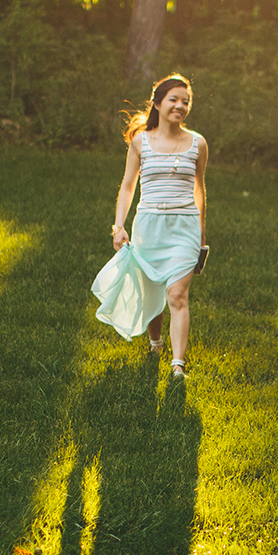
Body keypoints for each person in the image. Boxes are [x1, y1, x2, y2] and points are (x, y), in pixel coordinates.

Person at [92, 73, 208, 379]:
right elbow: (128, 186)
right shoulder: (140, 142)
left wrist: (201, 232)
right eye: (174, 100)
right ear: (158, 103)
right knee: (154, 292)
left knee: (177, 296)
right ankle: (156, 343)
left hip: (184, 228)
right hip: (149, 227)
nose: (180, 106)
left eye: (186, 101)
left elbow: (199, 190)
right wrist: (119, 226)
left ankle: (178, 365)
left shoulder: (198, 143)